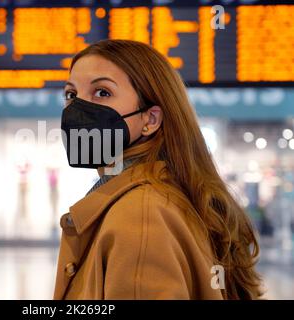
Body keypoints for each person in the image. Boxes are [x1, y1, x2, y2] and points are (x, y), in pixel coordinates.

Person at [55, 39, 262, 300]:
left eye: (102, 93)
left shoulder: (140, 215)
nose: (77, 109)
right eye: (71, 95)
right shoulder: (159, 196)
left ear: (150, 119)